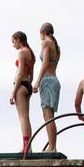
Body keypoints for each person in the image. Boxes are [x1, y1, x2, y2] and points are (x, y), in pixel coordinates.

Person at [31, 22, 61, 156]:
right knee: (49, 116)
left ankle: (52, 147)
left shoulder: (46, 43)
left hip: (47, 80)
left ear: (42, 32)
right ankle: (52, 145)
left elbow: (45, 64)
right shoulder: (56, 45)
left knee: (48, 116)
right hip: (54, 80)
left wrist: (37, 82)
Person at [9, 31, 35, 155]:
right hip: (28, 85)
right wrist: (29, 85)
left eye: (13, 42)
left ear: (19, 39)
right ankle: (29, 146)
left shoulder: (22, 52)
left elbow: (20, 73)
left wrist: (13, 92)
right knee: (26, 117)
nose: (13, 45)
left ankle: (26, 147)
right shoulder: (31, 53)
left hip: (21, 86)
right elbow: (31, 75)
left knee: (22, 117)